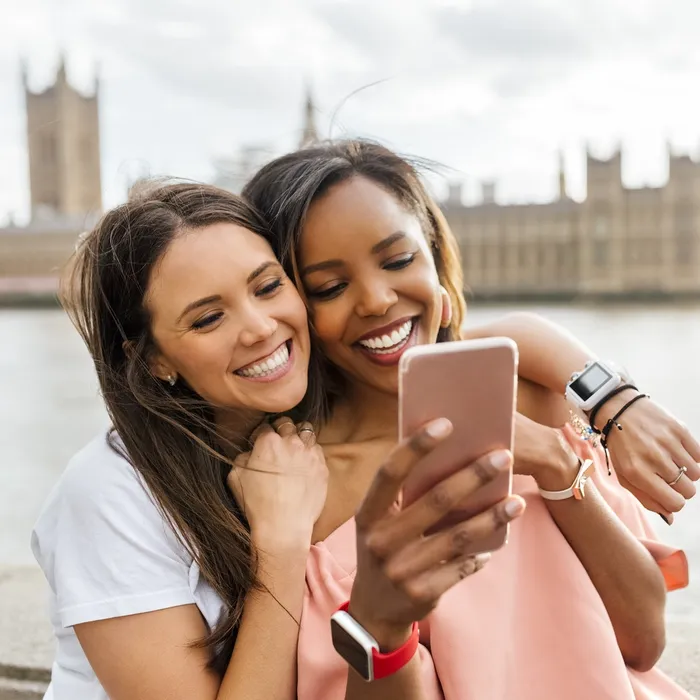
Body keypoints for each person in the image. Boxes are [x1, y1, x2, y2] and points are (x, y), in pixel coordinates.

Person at [31, 182, 523, 700]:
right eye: (207, 318)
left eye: (267, 288)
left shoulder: (302, 415)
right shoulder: (111, 494)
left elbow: (470, 340)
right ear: (154, 359)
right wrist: (282, 546)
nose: (261, 328)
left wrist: (605, 394)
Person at [242, 139, 695, 699]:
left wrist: (559, 466)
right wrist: (381, 627)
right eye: (330, 287)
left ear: (435, 258)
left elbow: (643, 641)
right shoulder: (294, 491)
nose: (378, 299)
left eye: (399, 260)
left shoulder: (530, 401)